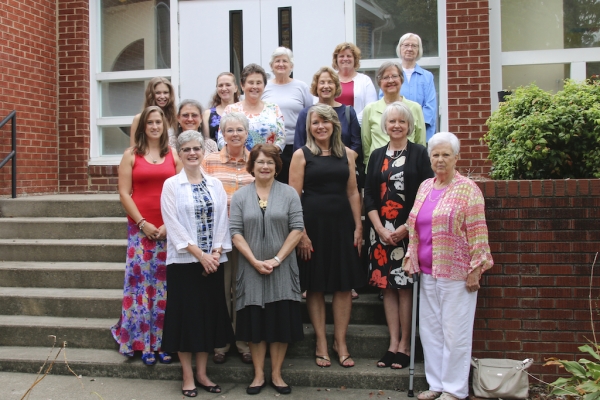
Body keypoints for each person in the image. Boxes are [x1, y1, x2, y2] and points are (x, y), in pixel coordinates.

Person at [403, 132, 493, 400]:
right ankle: (437, 385)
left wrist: (476, 267)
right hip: (428, 272)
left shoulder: (468, 189)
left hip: (457, 272)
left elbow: (478, 231)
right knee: (430, 331)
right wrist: (411, 256)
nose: (440, 160)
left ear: (456, 158)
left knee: (456, 334)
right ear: (429, 158)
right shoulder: (425, 187)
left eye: (445, 155)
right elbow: (414, 227)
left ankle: (454, 391)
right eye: (435, 154)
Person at [289, 104, 365, 368]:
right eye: (315, 122)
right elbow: (293, 197)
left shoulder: (348, 154)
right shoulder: (301, 155)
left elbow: (353, 192)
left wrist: (358, 226)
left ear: (334, 124)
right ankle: (321, 341)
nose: (320, 126)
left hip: (342, 225)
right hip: (312, 227)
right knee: (316, 286)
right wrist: (301, 233)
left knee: (343, 286)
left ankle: (340, 342)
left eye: (325, 121)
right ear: (309, 127)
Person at [160, 130, 234, 398]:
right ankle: (187, 376)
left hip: (213, 262)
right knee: (186, 318)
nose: (192, 153)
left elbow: (222, 221)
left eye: (197, 149)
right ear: (179, 154)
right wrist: (199, 255)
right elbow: (173, 224)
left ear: (204, 152)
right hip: (183, 263)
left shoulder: (214, 184)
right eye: (187, 149)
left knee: (206, 318)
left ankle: (202, 374)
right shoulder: (171, 185)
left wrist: (214, 252)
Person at [230, 143, 304, 395]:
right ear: (252, 166)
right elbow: (235, 233)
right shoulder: (240, 196)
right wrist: (253, 261)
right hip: (250, 269)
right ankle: (259, 375)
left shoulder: (289, 194)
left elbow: (297, 228)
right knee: (255, 325)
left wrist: (277, 259)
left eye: (270, 162)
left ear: (276, 167)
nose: (265, 166)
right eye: (260, 162)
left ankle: (277, 374)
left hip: (282, 269)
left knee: (279, 323)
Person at [364, 102, 433, 369]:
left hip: (409, 232)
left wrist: (406, 226)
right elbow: (368, 195)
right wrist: (379, 228)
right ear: (385, 125)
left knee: (404, 288)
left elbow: (426, 192)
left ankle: (406, 345)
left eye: (401, 122)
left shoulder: (419, 153)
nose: (396, 126)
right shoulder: (376, 155)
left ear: (409, 126)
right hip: (380, 234)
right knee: (388, 289)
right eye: (391, 121)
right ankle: (393, 343)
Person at [112, 106, 182, 365]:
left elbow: (179, 193)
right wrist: (143, 223)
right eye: (150, 122)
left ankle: (164, 342)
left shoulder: (174, 155)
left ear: (165, 126)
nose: (154, 126)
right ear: (142, 127)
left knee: (165, 288)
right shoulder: (131, 155)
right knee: (141, 286)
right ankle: (141, 342)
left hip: (168, 230)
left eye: (159, 122)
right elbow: (123, 193)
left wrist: (166, 225)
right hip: (140, 229)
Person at [202, 112, 255, 365]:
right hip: (219, 238)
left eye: (240, 130)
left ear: (247, 133)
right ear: (222, 134)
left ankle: (244, 343)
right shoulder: (209, 161)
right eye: (230, 130)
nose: (235, 134)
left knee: (244, 290)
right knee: (222, 292)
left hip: (249, 237)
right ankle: (221, 343)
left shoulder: (256, 160)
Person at [262, 47, 313, 184]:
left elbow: (310, 114)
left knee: (294, 184)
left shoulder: (301, 87)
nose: (281, 64)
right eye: (277, 61)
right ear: (271, 66)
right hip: (270, 146)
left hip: (295, 145)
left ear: (291, 66)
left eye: (285, 61)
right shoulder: (264, 87)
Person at [362, 61, 426, 168]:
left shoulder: (415, 108)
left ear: (401, 79)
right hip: (378, 168)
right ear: (379, 82)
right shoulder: (370, 109)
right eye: (386, 77)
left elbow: (421, 142)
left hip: (409, 167)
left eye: (394, 76)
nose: (391, 80)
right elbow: (366, 145)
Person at [378, 33, 437, 142]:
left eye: (414, 46)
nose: (409, 49)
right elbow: (383, 102)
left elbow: (430, 107)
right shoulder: (391, 76)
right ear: (399, 48)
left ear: (419, 50)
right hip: (393, 133)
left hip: (419, 132)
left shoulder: (427, 77)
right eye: (406, 45)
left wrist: (412, 126)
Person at [293, 66, 361, 156]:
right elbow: (299, 145)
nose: (326, 86)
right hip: (313, 167)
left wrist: (346, 162)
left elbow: (356, 144)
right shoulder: (305, 114)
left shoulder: (348, 112)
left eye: (330, 82)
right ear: (316, 86)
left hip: (343, 166)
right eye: (322, 82)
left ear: (336, 86)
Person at [217, 64, 285, 152]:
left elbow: (281, 138)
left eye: (258, 83)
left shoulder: (273, 108)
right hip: (238, 162)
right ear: (242, 85)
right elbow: (221, 139)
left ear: (264, 86)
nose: (255, 86)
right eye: (251, 82)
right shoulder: (230, 110)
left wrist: (265, 156)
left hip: (266, 162)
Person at [332, 42, 378, 125]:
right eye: (341, 56)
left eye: (349, 56)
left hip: (357, 129)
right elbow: (319, 105)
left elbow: (370, 107)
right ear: (336, 60)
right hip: (331, 129)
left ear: (355, 59)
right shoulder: (329, 79)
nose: (345, 59)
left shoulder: (365, 80)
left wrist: (352, 123)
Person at [129, 77, 178, 148]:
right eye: (158, 93)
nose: (162, 96)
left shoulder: (175, 118)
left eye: (165, 92)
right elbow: (133, 149)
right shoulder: (139, 119)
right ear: (150, 94)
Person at [202, 72, 240, 142]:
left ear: (235, 88)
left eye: (228, 85)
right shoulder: (208, 114)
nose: (224, 88)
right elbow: (207, 142)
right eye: (220, 85)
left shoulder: (243, 111)